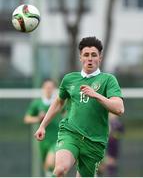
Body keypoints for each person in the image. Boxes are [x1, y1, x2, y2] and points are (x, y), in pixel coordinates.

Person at [34, 36, 124, 177]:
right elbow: (58, 102)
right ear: (80, 58)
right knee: (60, 170)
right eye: (86, 55)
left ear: (100, 58)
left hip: (95, 141)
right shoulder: (70, 79)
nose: (90, 58)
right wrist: (42, 125)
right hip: (71, 133)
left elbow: (119, 108)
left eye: (94, 55)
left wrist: (97, 95)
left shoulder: (108, 80)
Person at [24, 79, 61, 176]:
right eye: (47, 87)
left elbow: (67, 114)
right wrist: (38, 118)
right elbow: (27, 119)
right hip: (43, 139)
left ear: (54, 89)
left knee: (51, 162)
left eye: (51, 87)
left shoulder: (58, 103)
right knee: (47, 167)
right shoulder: (37, 104)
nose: (49, 89)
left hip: (57, 138)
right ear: (43, 88)